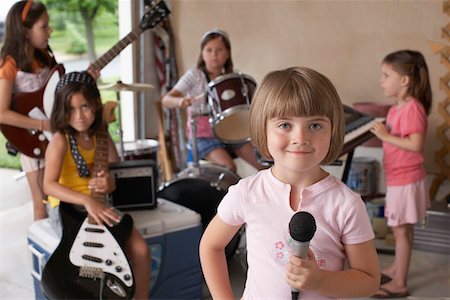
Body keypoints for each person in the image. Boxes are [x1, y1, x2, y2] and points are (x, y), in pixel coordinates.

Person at [200, 67, 380, 299]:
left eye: (315, 125)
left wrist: (320, 280)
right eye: (285, 125)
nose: (300, 138)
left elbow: (369, 281)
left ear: (333, 131)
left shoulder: (346, 204)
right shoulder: (246, 193)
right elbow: (211, 246)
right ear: (263, 130)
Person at [43, 72, 150, 299]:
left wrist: (109, 183)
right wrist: (86, 200)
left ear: (96, 104)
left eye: (85, 107)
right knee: (83, 254)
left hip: (98, 205)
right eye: (71, 109)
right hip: (67, 205)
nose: (79, 116)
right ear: (62, 110)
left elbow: (115, 170)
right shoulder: (60, 140)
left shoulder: (101, 135)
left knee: (140, 250)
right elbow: (49, 185)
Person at [0, 0, 99, 221]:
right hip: (32, 139)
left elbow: (56, 93)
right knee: (41, 204)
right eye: (44, 26)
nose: (50, 31)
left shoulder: (44, 56)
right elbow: (1, 112)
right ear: (25, 31)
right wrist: (44, 125)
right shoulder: (9, 64)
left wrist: (84, 81)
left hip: (54, 137)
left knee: (59, 196)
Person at [370, 50, 432, 298]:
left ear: (404, 80)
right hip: (399, 178)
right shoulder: (398, 108)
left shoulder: (413, 108)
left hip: (406, 179)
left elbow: (415, 145)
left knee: (400, 231)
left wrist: (386, 136)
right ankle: (398, 267)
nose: (381, 81)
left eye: (386, 75)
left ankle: (400, 283)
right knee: (403, 230)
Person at [162, 29, 265, 173]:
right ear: (202, 53)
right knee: (229, 168)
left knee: (263, 163)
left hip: (229, 132)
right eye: (209, 50)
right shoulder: (194, 75)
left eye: (219, 50)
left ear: (227, 53)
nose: (214, 55)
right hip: (202, 137)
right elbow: (166, 100)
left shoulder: (231, 79)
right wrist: (181, 101)